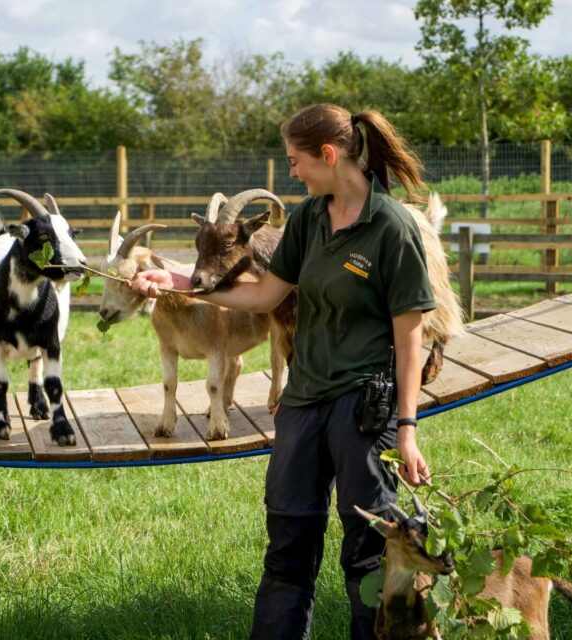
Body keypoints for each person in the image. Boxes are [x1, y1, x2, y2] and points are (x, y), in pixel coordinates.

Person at [128, 103, 434, 639]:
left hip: (363, 407)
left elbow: (410, 338)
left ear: (330, 155)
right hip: (302, 404)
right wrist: (178, 283)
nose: (291, 170)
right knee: (287, 546)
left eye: (296, 160)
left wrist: (406, 430)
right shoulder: (310, 218)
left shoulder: (391, 228)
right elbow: (268, 293)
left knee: (366, 552)